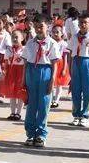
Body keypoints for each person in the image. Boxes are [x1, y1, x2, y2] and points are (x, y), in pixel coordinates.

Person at [22, 14, 60, 147]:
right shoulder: (30, 43)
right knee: (31, 104)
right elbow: (26, 62)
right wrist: (23, 80)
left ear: (47, 27)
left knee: (43, 105)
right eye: (37, 26)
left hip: (45, 72)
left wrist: (52, 81)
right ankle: (30, 133)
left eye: (42, 26)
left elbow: (55, 64)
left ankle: (41, 134)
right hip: (31, 71)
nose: (39, 29)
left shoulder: (52, 43)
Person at [68, 13, 89, 127]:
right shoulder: (74, 36)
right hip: (76, 61)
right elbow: (70, 52)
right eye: (80, 22)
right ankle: (76, 115)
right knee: (76, 90)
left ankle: (85, 115)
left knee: (87, 90)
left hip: (88, 62)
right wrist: (69, 67)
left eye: (85, 22)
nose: (82, 25)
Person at [3, 29, 26, 120]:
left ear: (22, 38)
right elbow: (5, 61)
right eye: (13, 37)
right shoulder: (9, 49)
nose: (14, 39)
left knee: (20, 93)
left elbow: (26, 62)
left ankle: (18, 113)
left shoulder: (24, 49)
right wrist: (5, 71)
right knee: (12, 93)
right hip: (11, 72)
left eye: (17, 37)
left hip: (21, 72)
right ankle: (12, 112)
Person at [50, 25, 70, 109]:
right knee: (51, 82)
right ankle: (50, 99)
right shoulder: (50, 42)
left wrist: (64, 68)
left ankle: (56, 100)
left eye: (57, 32)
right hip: (51, 63)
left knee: (59, 84)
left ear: (62, 33)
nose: (55, 34)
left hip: (60, 64)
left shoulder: (64, 44)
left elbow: (65, 57)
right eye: (53, 32)